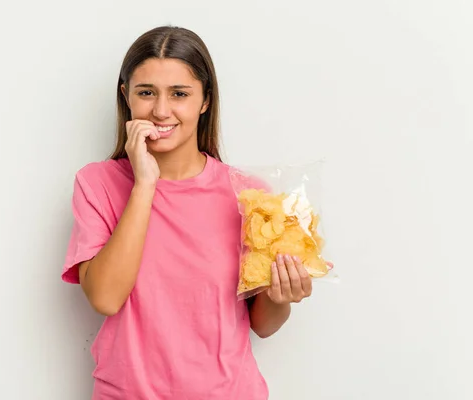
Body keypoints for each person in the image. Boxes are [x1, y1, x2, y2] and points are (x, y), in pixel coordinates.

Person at [62, 25, 330, 400]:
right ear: (126, 97)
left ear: (205, 101)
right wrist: (144, 185)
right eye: (146, 93)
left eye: (180, 94)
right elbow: (106, 298)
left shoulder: (246, 193)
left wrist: (281, 295)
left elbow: (263, 325)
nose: (160, 110)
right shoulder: (98, 184)